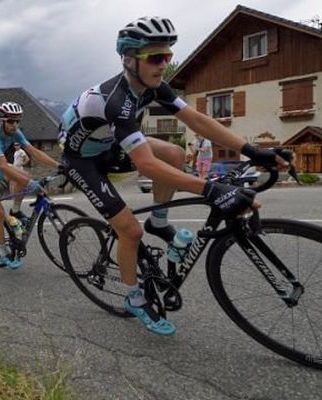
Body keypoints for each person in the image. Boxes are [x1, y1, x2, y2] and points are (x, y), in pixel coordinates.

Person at [58, 16, 289, 336]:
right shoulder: (115, 100)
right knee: (130, 231)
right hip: (81, 160)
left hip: (108, 146)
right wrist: (211, 188)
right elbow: (146, 164)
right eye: (155, 57)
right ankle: (134, 299)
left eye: (167, 56)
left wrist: (253, 151)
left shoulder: (153, 86)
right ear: (128, 59)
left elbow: (196, 120)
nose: (164, 64)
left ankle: (160, 221)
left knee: (176, 153)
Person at [0, 101, 60, 269]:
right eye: (10, 121)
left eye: (17, 121)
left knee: (23, 174)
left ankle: (15, 210)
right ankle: (2, 253)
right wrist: (31, 185)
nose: (15, 125)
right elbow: (3, 166)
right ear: (2, 121)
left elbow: (34, 152)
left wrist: (60, 166)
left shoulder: (16, 133)